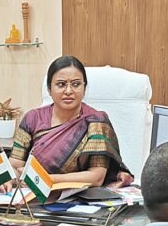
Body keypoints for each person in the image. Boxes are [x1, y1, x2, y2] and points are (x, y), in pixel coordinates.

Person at [9, 56, 132, 187]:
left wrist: (46, 179)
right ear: (49, 89)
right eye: (61, 84)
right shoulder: (33, 118)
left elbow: (96, 177)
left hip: (78, 196)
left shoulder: (96, 122)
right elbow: (15, 166)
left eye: (76, 84)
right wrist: (8, 180)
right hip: (33, 193)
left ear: (84, 88)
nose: (68, 91)